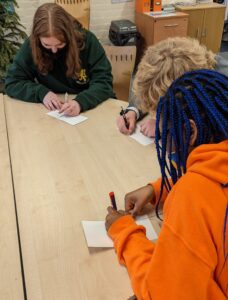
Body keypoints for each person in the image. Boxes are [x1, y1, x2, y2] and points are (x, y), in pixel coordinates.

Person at [106, 69, 228, 300]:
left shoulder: (194, 196)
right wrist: (157, 188)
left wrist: (125, 232)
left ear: (190, 132)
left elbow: (163, 293)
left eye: (163, 137)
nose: (164, 147)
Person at [5, 3, 115, 116]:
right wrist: (41, 93)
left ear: (69, 35)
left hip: (90, 108)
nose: (54, 50)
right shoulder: (32, 45)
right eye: (47, 45)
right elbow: (12, 82)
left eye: (60, 44)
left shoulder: (88, 42)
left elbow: (104, 82)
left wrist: (80, 102)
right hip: (53, 111)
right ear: (37, 38)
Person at [116, 37, 228, 137]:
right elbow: (151, 88)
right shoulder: (190, 70)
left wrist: (164, 125)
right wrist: (133, 111)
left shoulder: (220, 93)